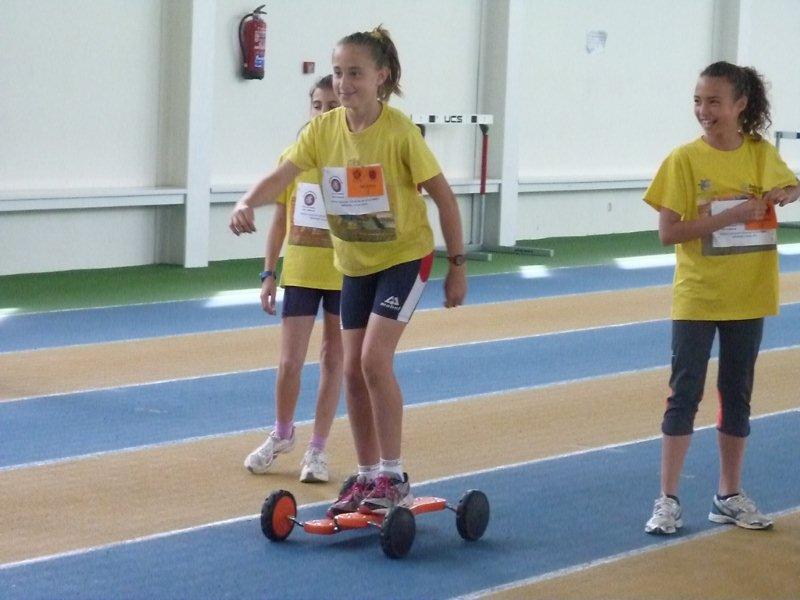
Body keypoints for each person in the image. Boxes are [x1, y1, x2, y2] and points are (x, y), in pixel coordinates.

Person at [230, 25, 467, 515]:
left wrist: (458, 266)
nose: (343, 83)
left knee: (374, 361)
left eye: (355, 73)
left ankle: (394, 476)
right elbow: (281, 176)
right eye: (337, 72)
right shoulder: (322, 131)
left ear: (381, 76)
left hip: (404, 258)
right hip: (354, 265)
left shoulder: (399, 132)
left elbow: (445, 199)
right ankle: (367, 474)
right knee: (354, 370)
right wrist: (246, 201)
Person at [643, 61, 799, 535]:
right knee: (684, 394)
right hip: (699, 296)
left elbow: (791, 184)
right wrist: (732, 215)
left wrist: (786, 192)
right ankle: (667, 500)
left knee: (737, 395)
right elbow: (668, 232)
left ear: (740, 105)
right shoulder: (683, 160)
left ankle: (728, 495)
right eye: (697, 101)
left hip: (749, 294)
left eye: (714, 101)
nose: (703, 110)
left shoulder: (759, 153)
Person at [243, 75, 343, 483]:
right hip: (301, 272)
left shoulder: (354, 156)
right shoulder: (294, 158)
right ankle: (282, 434)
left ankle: (317, 449)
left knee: (333, 360)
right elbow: (280, 219)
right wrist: (269, 273)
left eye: (332, 106)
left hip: (344, 273)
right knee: (289, 362)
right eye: (317, 105)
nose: (323, 112)